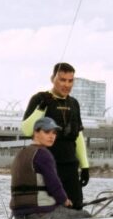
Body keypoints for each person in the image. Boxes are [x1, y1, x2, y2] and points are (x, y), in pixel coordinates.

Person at [21, 62, 89, 209]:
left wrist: (85, 166)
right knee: (50, 210)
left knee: (76, 208)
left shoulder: (74, 103)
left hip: (70, 167)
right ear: (53, 79)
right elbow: (26, 130)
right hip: (47, 166)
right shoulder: (40, 99)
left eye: (70, 81)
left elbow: (78, 135)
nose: (66, 85)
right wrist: (41, 108)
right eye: (62, 80)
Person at [10, 118, 84, 219]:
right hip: (40, 214)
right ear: (36, 132)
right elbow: (53, 184)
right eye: (47, 132)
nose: (52, 136)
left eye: (54, 133)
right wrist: (65, 201)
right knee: (85, 216)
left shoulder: (20, 153)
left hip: (18, 217)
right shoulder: (43, 154)